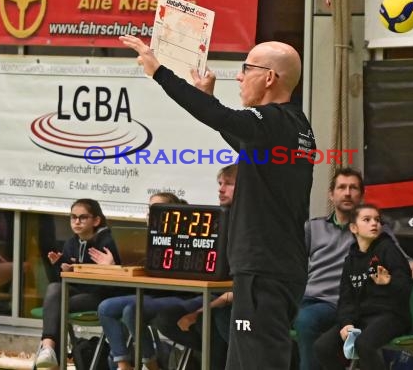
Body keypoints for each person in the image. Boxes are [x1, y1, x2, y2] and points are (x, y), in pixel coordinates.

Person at [119, 35, 316, 370]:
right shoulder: (296, 127)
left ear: (269, 77)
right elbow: (241, 137)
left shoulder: (272, 121)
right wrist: (207, 98)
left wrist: (160, 72)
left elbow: (222, 118)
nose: (238, 77)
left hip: (263, 269)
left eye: (246, 68)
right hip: (276, 267)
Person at [294, 167, 413, 370]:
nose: (347, 193)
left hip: (335, 304)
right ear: (331, 194)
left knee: (306, 321)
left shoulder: (376, 233)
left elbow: (398, 260)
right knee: (259, 313)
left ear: (361, 195)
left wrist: (411, 263)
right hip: (309, 298)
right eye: (341, 187)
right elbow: (294, 263)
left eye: (353, 188)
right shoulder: (313, 227)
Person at [153, 164, 237, 370]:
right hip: (210, 293)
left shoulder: (251, 224)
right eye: (219, 184)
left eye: (228, 184)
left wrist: (198, 312)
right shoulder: (217, 219)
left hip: (234, 298)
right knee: (166, 318)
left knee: (212, 320)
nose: (221, 189)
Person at [97, 191, 194, 370]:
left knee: (132, 310)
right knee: (106, 308)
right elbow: (136, 270)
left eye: (156, 210)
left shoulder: (184, 237)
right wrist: (113, 266)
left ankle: (151, 364)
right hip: (149, 293)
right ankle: (123, 364)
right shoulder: (143, 238)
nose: (150, 214)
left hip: (179, 295)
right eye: (149, 210)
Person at [313, 203, 413, 370]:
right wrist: (346, 323)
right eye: (367, 220)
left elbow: (405, 286)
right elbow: (346, 299)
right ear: (353, 228)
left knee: (364, 345)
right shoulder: (350, 261)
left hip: (392, 316)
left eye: (377, 220)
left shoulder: (388, 249)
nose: (374, 223)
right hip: (361, 317)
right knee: (322, 347)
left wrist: (389, 282)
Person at [35, 198, 121, 368]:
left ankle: (50, 352)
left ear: (96, 220)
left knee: (56, 306)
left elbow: (115, 284)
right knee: (54, 290)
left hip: (102, 295)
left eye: (83, 217)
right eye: (73, 217)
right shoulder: (71, 243)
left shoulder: (106, 242)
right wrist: (59, 268)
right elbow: (60, 283)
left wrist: (110, 268)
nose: (77, 222)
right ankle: (49, 348)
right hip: (78, 292)